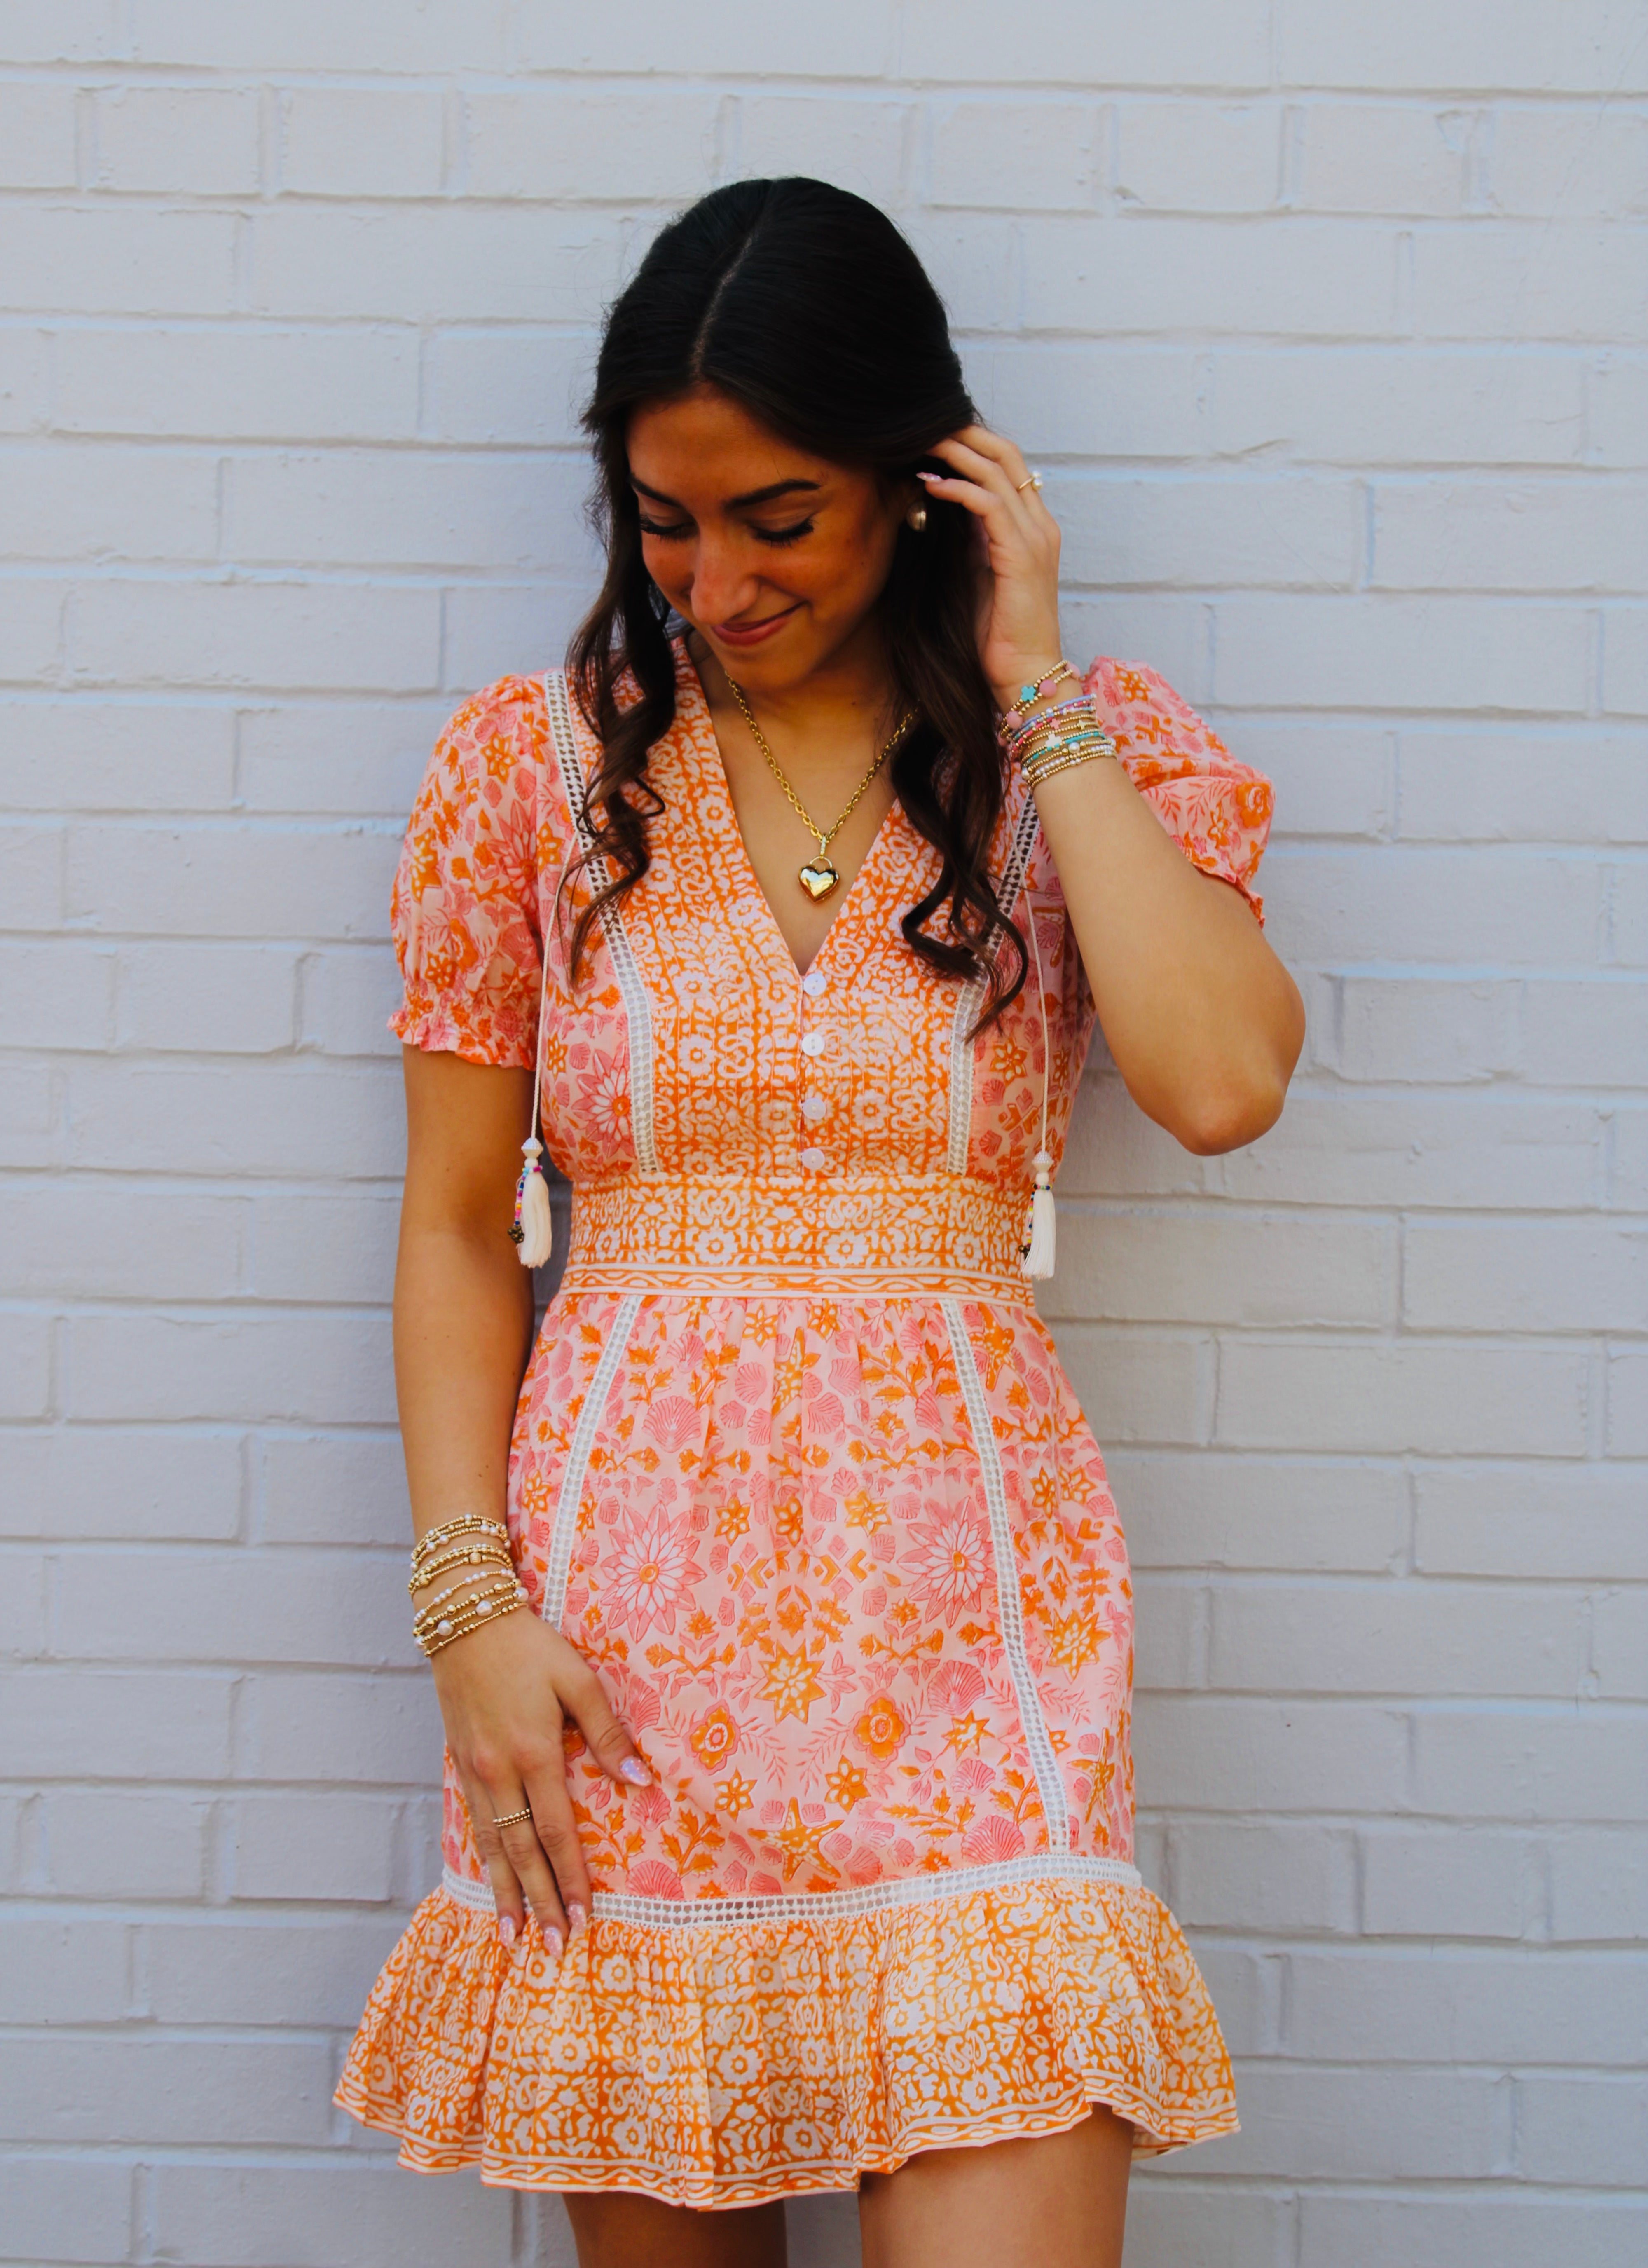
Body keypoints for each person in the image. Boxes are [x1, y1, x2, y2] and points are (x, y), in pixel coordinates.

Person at [336, 178, 1304, 2268]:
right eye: (666, 519)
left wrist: (1032, 678)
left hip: (976, 1627)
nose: (714, 578)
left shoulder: (1082, 756)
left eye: (778, 515)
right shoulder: (532, 771)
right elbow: (447, 1229)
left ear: (917, 476)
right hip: (619, 1647)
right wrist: (466, 1611)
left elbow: (1219, 1086)